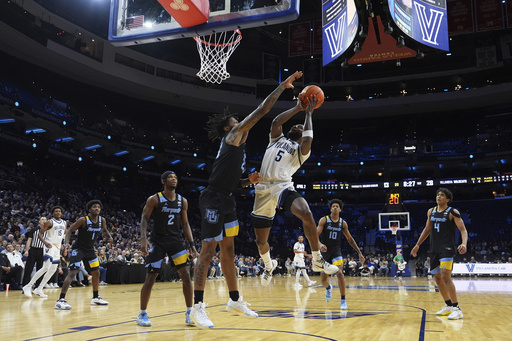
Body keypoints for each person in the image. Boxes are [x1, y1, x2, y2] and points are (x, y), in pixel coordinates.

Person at [190, 71, 304, 328]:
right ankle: (197, 307)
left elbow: (232, 182)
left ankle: (234, 299)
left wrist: (246, 182)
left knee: (228, 251)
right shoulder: (231, 138)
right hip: (212, 199)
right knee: (208, 251)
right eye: (237, 121)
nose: (242, 122)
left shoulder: (238, 149)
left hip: (227, 198)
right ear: (230, 127)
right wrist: (282, 87)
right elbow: (263, 110)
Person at [251, 95, 338, 287]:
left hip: (282, 186)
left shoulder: (301, 151)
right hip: (263, 191)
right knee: (260, 241)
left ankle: (317, 259)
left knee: (306, 212)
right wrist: (298, 108)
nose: (295, 126)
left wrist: (309, 114)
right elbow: (275, 121)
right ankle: (268, 266)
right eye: (295, 125)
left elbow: (308, 138)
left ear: (302, 133)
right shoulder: (276, 139)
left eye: (298, 126)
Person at [137, 171, 198, 327]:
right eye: (171, 177)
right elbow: (144, 218)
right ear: (163, 181)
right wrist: (143, 239)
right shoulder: (154, 199)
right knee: (151, 278)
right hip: (157, 241)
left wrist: (191, 245)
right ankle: (142, 314)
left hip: (176, 241)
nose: (174, 179)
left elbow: (185, 224)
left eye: (176, 177)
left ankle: (189, 312)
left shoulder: (182, 201)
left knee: (185, 275)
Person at [411, 188, 468, 320]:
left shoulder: (453, 212)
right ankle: (448, 305)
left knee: (445, 276)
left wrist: (464, 243)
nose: (439, 196)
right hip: (434, 249)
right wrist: (417, 244)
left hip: (447, 248)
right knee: (437, 278)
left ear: (448, 199)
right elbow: (427, 229)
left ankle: (456, 308)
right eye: (438, 195)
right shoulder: (431, 211)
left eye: (442, 195)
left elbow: (463, 230)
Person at [55, 200, 113, 310]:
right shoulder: (83, 220)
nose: (97, 209)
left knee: (96, 272)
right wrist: (67, 243)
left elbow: (104, 231)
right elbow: (69, 231)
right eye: (94, 207)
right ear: (89, 209)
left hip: (90, 250)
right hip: (79, 249)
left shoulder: (102, 220)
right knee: (73, 272)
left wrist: (109, 237)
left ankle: (95, 297)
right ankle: (61, 300)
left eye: (98, 207)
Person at [317, 199, 365, 309]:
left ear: (340, 209)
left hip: (336, 251)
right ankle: (328, 288)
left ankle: (343, 300)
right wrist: (319, 245)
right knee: (324, 280)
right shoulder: (324, 220)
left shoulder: (342, 223)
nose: (334, 207)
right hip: (324, 252)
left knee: (339, 274)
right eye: (333, 206)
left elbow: (350, 239)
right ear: (330, 209)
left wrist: (359, 252)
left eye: (337, 206)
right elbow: (315, 235)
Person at [23, 206, 67, 298]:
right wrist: (45, 242)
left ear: (62, 213)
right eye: (56, 211)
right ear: (53, 213)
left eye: (59, 211)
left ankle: (39, 289)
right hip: (49, 245)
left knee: (53, 269)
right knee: (46, 267)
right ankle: (28, 286)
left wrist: (66, 246)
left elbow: (64, 235)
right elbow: (40, 233)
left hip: (57, 247)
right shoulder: (50, 222)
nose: (58, 212)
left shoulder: (64, 222)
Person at [21, 217, 47, 288]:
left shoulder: (48, 231)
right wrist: (26, 250)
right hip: (33, 250)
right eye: (42, 219)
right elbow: (29, 240)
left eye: (45, 220)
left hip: (42, 250)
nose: (44, 221)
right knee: (28, 269)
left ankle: (38, 287)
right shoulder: (34, 229)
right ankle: (25, 286)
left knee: (40, 269)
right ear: (39, 221)